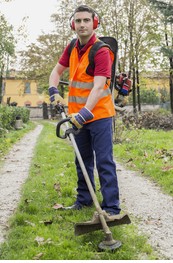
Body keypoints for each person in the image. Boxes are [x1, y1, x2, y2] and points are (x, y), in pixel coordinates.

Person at [49, 5, 121, 215]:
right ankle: (85, 200)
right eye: (78, 21)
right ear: (73, 24)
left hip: (99, 116)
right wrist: (54, 90)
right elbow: (56, 71)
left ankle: (111, 208)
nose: (82, 25)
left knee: (105, 161)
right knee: (82, 161)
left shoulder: (102, 51)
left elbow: (98, 87)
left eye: (86, 20)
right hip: (76, 115)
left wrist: (84, 113)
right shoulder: (72, 47)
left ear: (94, 23)